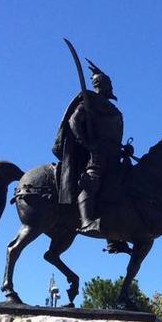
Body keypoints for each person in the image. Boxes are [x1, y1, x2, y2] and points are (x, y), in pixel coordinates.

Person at [54, 60, 127, 235]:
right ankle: (86, 222)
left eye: (109, 84)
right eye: (106, 84)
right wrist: (87, 143)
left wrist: (124, 149)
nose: (109, 87)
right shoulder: (89, 101)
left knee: (125, 185)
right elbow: (74, 122)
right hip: (96, 154)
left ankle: (115, 237)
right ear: (99, 85)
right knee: (92, 180)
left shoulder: (114, 110)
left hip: (114, 154)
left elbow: (114, 136)